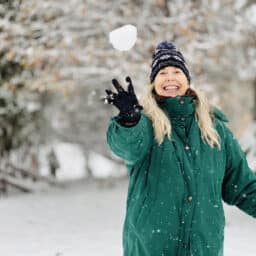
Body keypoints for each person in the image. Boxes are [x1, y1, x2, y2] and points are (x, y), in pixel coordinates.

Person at [103, 41, 256, 256]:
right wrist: (129, 121)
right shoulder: (145, 125)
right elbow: (127, 147)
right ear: (154, 82)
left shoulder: (215, 130)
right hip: (151, 248)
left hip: (204, 248)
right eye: (162, 73)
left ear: (187, 79)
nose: (170, 78)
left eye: (177, 71)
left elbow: (243, 186)